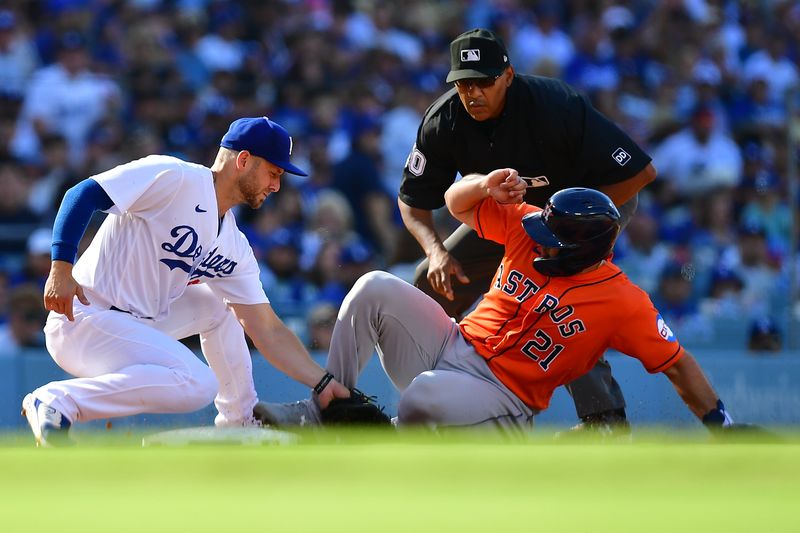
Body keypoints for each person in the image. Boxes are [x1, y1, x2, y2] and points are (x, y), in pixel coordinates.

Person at [255, 173, 735, 434]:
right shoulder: (529, 224)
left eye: (552, 239)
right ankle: (326, 411)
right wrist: (485, 185)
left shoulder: (623, 301)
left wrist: (720, 423)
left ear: (587, 248)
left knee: (422, 395)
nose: (538, 239)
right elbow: (454, 201)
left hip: (503, 398)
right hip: (451, 345)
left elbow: (676, 363)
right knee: (373, 286)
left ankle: (379, 441)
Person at [21, 116, 350, 447]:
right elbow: (83, 193)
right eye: (274, 172)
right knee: (198, 384)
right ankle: (57, 401)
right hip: (86, 318)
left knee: (219, 307)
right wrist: (61, 267)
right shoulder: (175, 178)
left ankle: (241, 420)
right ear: (244, 160)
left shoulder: (233, 243)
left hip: (139, 324)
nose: (276, 185)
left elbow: (266, 327)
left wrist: (323, 382)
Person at [397, 28, 656, 431]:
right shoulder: (444, 119)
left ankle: (604, 420)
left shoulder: (556, 104)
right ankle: (437, 399)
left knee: (554, 287)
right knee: (427, 284)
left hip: (584, 213)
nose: (473, 93)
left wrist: (581, 223)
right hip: (508, 218)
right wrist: (435, 250)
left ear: (508, 76)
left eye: (483, 81)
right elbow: (412, 202)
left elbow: (639, 172)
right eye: (463, 83)